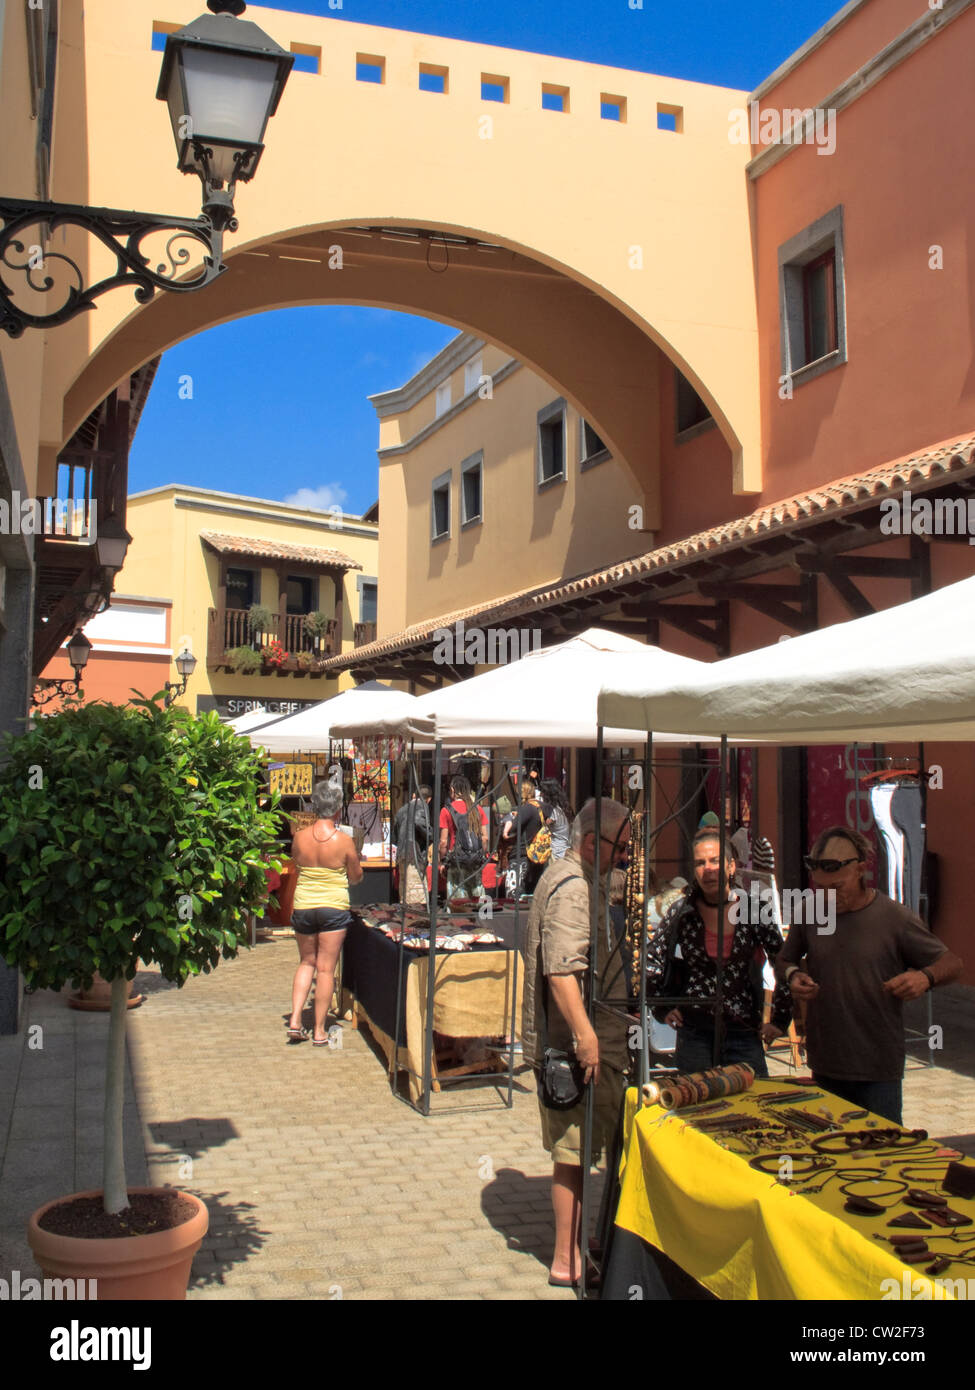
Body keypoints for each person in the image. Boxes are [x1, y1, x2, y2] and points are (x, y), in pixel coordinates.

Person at [775, 825, 964, 1124]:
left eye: (836, 887)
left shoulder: (894, 918)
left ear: (861, 870)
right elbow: (784, 959)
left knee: (881, 1154)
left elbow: (952, 963)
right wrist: (792, 974)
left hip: (878, 1069)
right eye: (820, 887)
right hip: (826, 1064)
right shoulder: (810, 911)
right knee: (830, 1156)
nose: (828, 896)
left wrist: (925, 977)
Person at [522, 798, 632, 1287]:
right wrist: (587, 1039)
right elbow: (562, 972)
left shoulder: (576, 878)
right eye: (622, 847)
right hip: (572, 1048)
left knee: (580, 1149)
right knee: (573, 1151)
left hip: (576, 1043)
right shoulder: (572, 887)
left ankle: (574, 1246)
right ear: (592, 843)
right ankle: (566, 1258)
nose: (626, 856)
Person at [646, 828, 790, 1077]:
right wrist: (662, 1007)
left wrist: (780, 1019)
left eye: (714, 861)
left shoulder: (753, 910)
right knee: (696, 1106)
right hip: (694, 1034)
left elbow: (783, 961)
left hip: (743, 1031)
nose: (708, 869)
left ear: (731, 867)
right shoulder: (682, 912)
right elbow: (651, 959)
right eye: (700, 863)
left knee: (753, 1104)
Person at [286, 782, 363, 1045]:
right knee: (326, 969)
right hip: (333, 906)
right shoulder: (344, 841)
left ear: (314, 806)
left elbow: (297, 862)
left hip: (304, 904)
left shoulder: (299, 837)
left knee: (306, 962)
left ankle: (296, 1020)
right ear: (339, 810)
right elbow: (355, 877)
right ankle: (319, 1031)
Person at [438, 774, 489, 901]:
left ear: (453, 790)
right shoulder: (477, 809)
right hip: (475, 862)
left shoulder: (446, 811)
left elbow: (443, 842)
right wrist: (482, 854)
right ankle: (480, 919)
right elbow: (485, 838)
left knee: (457, 901)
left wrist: (442, 862)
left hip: (456, 861)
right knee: (477, 898)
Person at [503, 778, 546, 895]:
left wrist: (509, 821)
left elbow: (512, 830)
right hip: (537, 855)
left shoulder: (526, 808)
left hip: (521, 854)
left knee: (514, 895)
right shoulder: (542, 807)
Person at [393, 784, 432, 905]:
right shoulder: (422, 806)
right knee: (416, 894)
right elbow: (418, 822)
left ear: (413, 795)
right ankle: (414, 921)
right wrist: (431, 835)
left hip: (402, 854)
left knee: (404, 890)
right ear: (429, 799)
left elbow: (395, 832)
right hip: (414, 854)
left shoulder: (402, 809)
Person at [540, 779, 573, 860]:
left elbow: (543, 826)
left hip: (557, 851)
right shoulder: (563, 808)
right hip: (565, 848)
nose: (540, 794)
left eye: (542, 792)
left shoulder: (553, 811)